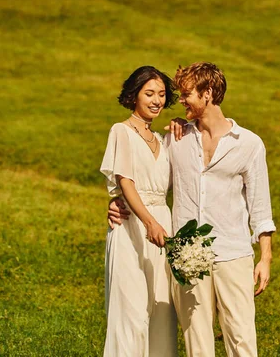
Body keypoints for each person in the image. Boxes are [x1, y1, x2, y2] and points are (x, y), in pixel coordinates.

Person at [109, 62, 276, 357]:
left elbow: (260, 207)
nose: (179, 100)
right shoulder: (177, 138)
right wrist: (117, 202)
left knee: (242, 341)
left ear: (208, 93)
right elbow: (149, 179)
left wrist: (265, 258)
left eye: (187, 94)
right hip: (187, 258)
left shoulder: (249, 144)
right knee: (196, 344)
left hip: (233, 254)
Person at [100, 66, 179, 357]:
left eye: (161, 94)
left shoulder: (163, 139)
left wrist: (181, 123)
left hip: (163, 227)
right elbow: (125, 181)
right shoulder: (121, 131)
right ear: (134, 95)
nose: (156, 100)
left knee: (161, 310)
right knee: (131, 312)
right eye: (149, 93)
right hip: (133, 227)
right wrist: (149, 222)